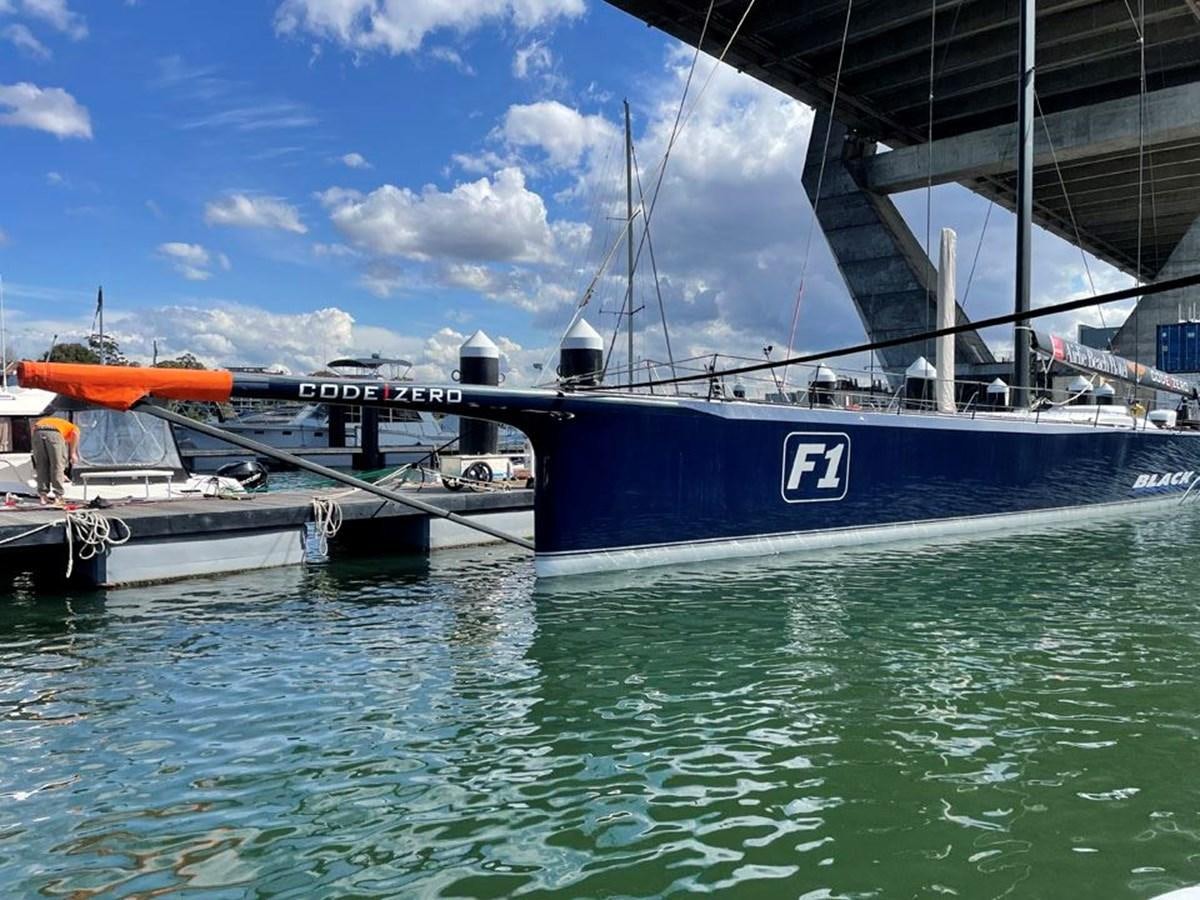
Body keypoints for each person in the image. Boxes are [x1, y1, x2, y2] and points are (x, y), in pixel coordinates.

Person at [31, 415, 80, 505]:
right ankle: (58, 496)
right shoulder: (73, 428)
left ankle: (43, 496)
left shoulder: (58, 423)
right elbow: (75, 434)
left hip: (37, 432)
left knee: (41, 465)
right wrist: (73, 453)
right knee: (57, 464)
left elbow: (33, 429)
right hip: (54, 433)